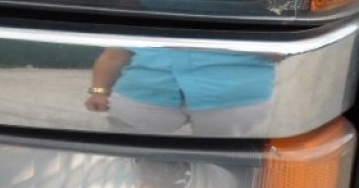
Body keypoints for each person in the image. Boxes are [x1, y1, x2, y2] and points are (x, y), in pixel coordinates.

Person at [85, 47, 276, 135]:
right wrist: (99, 91)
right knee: (130, 158)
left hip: (234, 93)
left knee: (222, 164)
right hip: (143, 90)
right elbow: (114, 54)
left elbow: (278, 52)